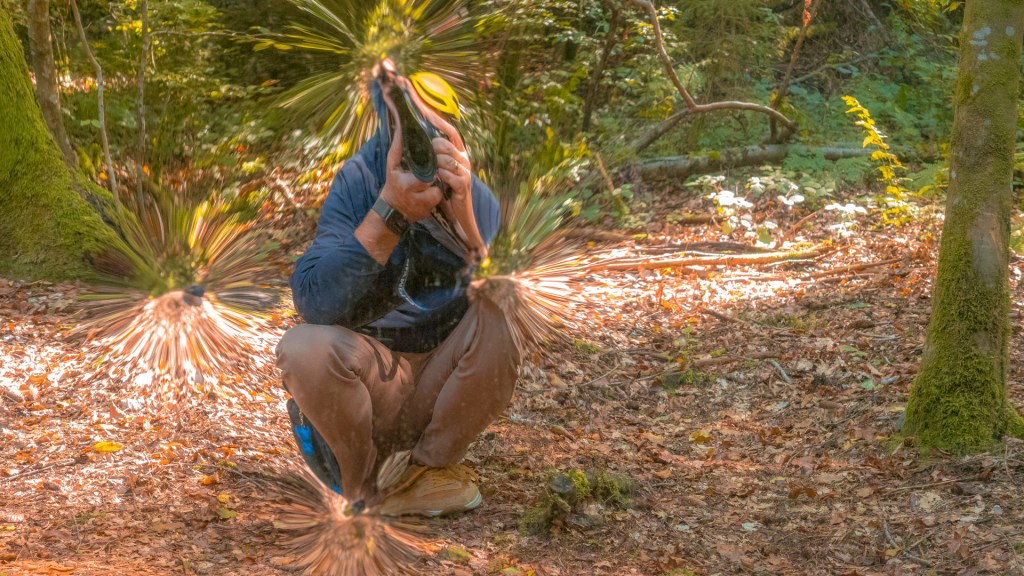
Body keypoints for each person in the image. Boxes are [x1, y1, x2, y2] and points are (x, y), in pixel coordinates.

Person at [276, 66, 519, 517]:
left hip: (442, 378)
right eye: (410, 132)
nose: (421, 149)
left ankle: (425, 471)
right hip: (370, 380)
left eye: (434, 131)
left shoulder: (468, 188)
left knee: (506, 300)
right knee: (302, 347)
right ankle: (363, 486)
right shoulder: (359, 181)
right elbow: (312, 300)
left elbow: (508, 290)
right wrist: (389, 211)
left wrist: (462, 212)